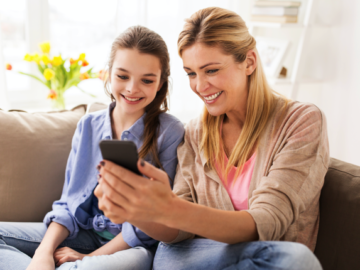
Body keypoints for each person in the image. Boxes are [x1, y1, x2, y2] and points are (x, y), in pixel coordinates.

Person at [95, 7, 329, 270]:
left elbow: (268, 221)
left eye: (212, 70)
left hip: (265, 260)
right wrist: (139, 212)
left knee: (296, 259)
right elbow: (177, 234)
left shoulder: (300, 121)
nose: (200, 86)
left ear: (249, 62)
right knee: (167, 256)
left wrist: (170, 208)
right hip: (202, 259)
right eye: (191, 73)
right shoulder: (195, 134)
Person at [0, 25, 184, 270]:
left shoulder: (170, 132)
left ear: (161, 83)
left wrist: (89, 258)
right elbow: (68, 203)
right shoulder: (88, 125)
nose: (131, 88)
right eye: (122, 76)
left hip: (130, 250)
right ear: (108, 74)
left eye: (147, 80)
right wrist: (43, 254)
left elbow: (149, 227)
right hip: (81, 233)